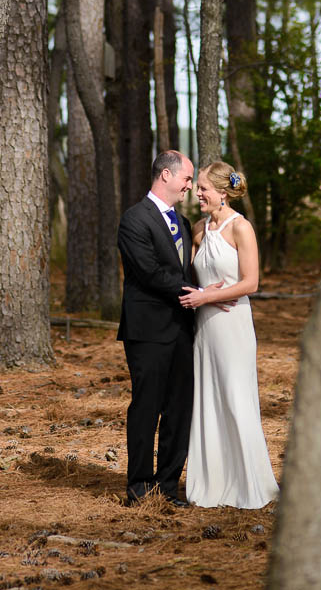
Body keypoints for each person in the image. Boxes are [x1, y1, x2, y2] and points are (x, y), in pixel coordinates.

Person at [179, 161, 279, 509]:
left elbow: (251, 283)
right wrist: (199, 297)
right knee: (208, 400)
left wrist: (208, 296)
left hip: (233, 325)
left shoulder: (241, 228)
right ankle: (212, 482)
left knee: (236, 399)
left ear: (223, 192)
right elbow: (190, 280)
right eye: (197, 187)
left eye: (203, 187)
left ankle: (249, 483)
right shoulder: (198, 230)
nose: (197, 192)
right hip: (204, 329)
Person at [117, 150, 198, 506]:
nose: (189, 186)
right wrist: (195, 293)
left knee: (179, 409)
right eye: (187, 178)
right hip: (147, 330)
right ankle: (138, 486)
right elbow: (148, 272)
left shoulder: (182, 223)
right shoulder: (135, 219)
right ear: (166, 175)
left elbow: (185, 269)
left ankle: (168, 485)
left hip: (181, 328)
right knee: (146, 408)